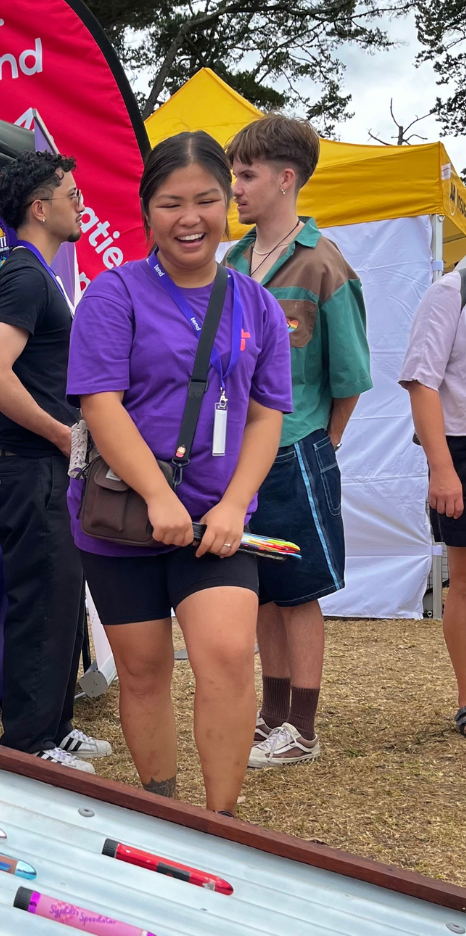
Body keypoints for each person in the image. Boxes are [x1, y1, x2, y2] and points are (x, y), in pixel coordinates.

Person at [67, 130, 292, 813]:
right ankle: (163, 809)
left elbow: (264, 415)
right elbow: (101, 404)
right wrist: (158, 494)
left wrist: (232, 506)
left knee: (226, 654)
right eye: (171, 203)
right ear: (146, 211)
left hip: (217, 523)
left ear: (229, 203)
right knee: (141, 670)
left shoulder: (257, 304)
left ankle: (222, 822)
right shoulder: (113, 294)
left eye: (206, 200)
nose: (189, 217)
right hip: (123, 517)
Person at [225, 116, 372, 769]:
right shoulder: (229, 262)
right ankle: (271, 715)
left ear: (286, 179)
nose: (234, 187)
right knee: (257, 587)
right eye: (234, 173)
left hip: (297, 450)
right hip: (232, 459)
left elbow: (350, 376)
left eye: (246, 174)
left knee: (299, 589)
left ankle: (302, 729)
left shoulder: (324, 265)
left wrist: (322, 443)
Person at [0, 150, 111, 772]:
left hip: (51, 466)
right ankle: (29, 745)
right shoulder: (26, 276)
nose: (80, 203)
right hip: (33, 465)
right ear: (40, 208)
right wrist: (61, 434)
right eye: (72, 194)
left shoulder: (43, 272)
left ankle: (56, 729)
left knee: (63, 597)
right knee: (40, 600)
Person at [399, 258, 466, 735]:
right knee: (463, 580)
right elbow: (422, 383)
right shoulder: (450, 292)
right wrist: (441, 470)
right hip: (460, 447)